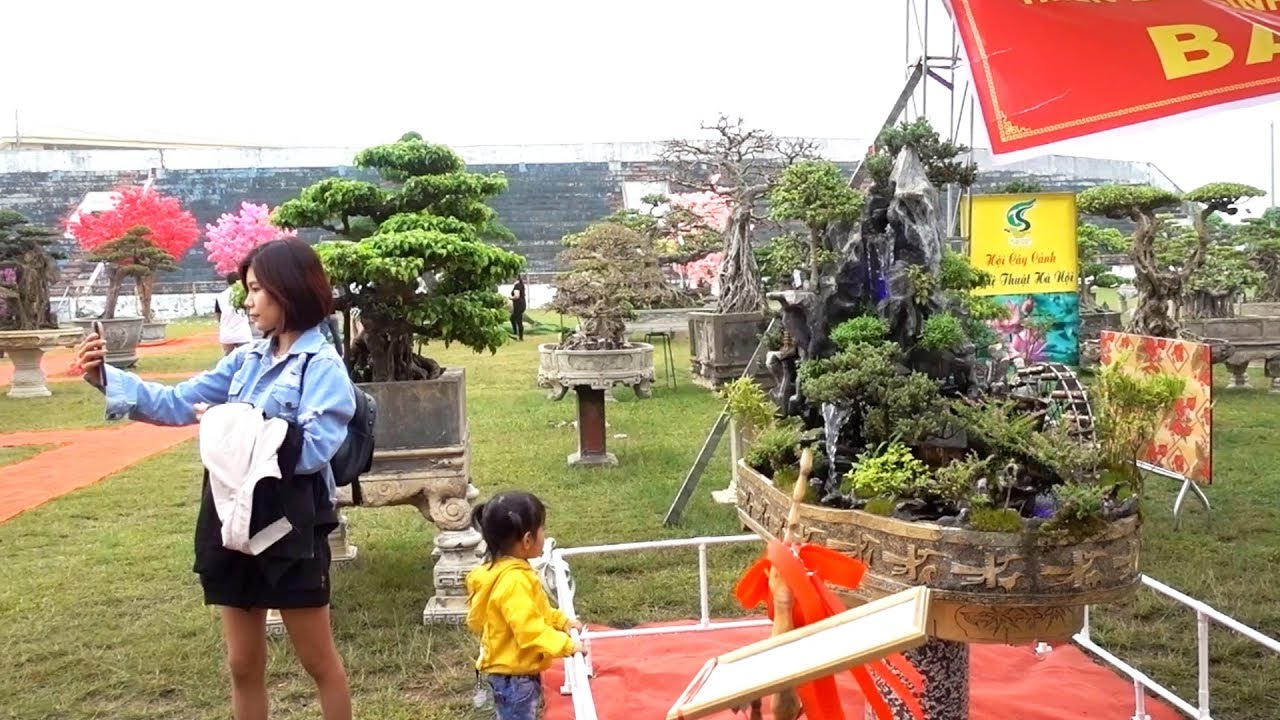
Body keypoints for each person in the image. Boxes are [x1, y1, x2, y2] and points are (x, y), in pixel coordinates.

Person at [76, 238, 355, 720]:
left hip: (290, 527)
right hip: (233, 519)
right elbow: (177, 402)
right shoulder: (247, 360)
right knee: (242, 663)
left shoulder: (323, 366)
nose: (248, 302)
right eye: (247, 290)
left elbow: (312, 452)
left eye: (256, 290)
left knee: (317, 661)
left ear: (289, 291)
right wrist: (107, 378)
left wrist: (235, 421)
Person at [466, 491, 582, 720]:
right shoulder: (514, 582)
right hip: (515, 678)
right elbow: (528, 629)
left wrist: (562, 621)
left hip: (512, 673)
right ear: (527, 540)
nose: (545, 533)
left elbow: (537, 610)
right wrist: (566, 646)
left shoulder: (508, 570)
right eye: (543, 528)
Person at [214, 272, 254, 355]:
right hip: (243, 333)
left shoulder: (220, 296)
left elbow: (218, 315)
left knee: (228, 361)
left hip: (227, 334)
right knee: (246, 359)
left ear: (228, 282)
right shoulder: (244, 294)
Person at [509, 275, 527, 341]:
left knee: (518, 320)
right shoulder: (521, 284)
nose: (511, 279)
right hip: (521, 304)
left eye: (512, 277)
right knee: (513, 318)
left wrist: (511, 298)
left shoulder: (517, 286)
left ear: (515, 278)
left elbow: (517, 296)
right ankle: (516, 334)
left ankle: (519, 336)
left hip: (519, 305)